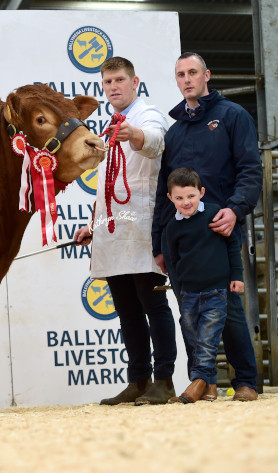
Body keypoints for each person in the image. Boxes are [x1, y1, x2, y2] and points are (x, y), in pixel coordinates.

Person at [151, 52, 263, 402]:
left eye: (193, 72)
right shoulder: (176, 130)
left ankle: (245, 380)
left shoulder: (233, 116)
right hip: (181, 237)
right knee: (188, 313)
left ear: (207, 76)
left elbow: (250, 169)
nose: (187, 79)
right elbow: (162, 190)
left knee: (228, 309)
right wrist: (159, 242)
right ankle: (205, 383)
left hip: (220, 228)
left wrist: (234, 210)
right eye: (181, 74)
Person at [74, 56, 177, 406]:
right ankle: (138, 380)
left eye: (119, 80)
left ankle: (164, 380)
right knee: (127, 311)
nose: (114, 87)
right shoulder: (111, 122)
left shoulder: (145, 115)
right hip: (113, 230)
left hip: (141, 227)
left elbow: (156, 141)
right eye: (107, 82)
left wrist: (134, 134)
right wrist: (92, 225)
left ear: (135, 82)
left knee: (154, 304)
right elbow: (106, 184)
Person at [164, 168, 244, 403]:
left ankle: (195, 383)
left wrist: (236, 276)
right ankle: (209, 387)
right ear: (170, 198)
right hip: (189, 293)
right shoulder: (172, 227)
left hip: (217, 291)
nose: (185, 202)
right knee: (194, 339)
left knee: (207, 339)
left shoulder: (214, 213)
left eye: (191, 196)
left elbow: (232, 246)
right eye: (179, 198)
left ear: (202, 192)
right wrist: (181, 288)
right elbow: (175, 260)